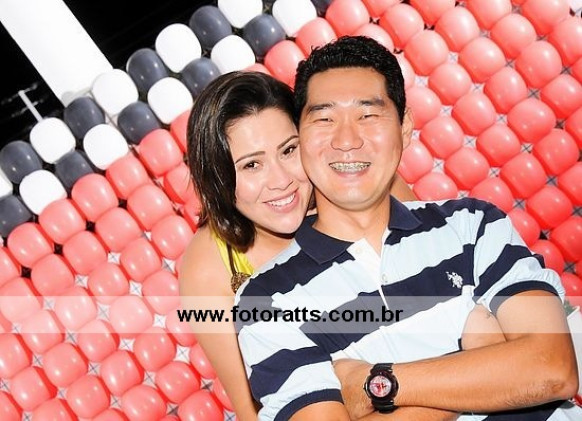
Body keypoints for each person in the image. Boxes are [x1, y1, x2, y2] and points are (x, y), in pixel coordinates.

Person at [234, 36, 580, 421]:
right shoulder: (267, 301)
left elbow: (552, 369)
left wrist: (376, 383)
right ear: (299, 139)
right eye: (325, 118)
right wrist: (483, 363)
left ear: (404, 128)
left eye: (368, 115)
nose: (347, 140)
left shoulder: (472, 225)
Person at [179, 70, 418, 420]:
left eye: (289, 150)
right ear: (218, 178)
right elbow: (255, 409)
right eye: (252, 165)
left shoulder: (361, 180)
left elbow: (452, 307)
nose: (281, 181)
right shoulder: (211, 267)